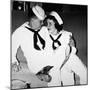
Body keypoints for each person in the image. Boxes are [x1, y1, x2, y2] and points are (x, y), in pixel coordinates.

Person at [42, 11, 87, 86]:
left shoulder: (67, 34)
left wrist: (71, 47)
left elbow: (73, 51)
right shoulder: (45, 36)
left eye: (50, 24)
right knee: (55, 81)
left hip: (68, 59)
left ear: (56, 24)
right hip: (54, 62)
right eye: (47, 24)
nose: (47, 26)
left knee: (84, 73)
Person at [12, 5, 46, 73]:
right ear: (33, 20)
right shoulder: (20, 31)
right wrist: (14, 63)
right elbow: (10, 48)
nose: (42, 24)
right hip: (37, 65)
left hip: (51, 58)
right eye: (41, 21)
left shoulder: (44, 29)